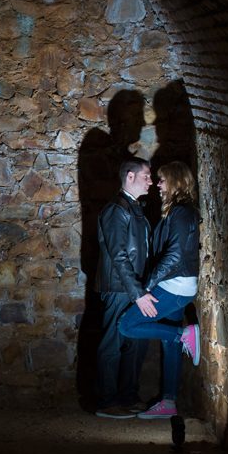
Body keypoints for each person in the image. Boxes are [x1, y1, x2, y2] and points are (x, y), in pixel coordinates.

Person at [116, 160, 200, 420]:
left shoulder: (182, 211)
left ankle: (184, 333)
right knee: (169, 342)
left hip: (174, 286)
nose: (158, 184)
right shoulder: (176, 211)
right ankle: (169, 403)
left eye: (162, 180)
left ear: (175, 181)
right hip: (176, 284)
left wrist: (146, 287)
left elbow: (174, 255)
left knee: (126, 325)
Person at [93, 157, 152, 418]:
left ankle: (128, 396)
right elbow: (118, 255)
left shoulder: (133, 208)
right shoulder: (117, 209)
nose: (151, 181)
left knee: (135, 343)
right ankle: (107, 402)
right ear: (130, 176)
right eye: (146, 176)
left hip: (132, 287)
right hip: (119, 288)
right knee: (113, 344)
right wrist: (137, 293)